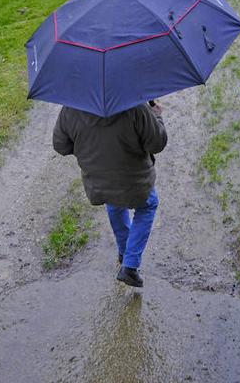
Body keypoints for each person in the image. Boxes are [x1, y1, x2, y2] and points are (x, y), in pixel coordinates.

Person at [53, 98, 167, 287]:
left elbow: (61, 146)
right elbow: (157, 144)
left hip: (99, 181)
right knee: (148, 206)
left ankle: (124, 252)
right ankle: (130, 265)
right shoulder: (135, 107)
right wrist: (157, 116)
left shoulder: (71, 109)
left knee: (114, 203)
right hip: (136, 182)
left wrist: (88, 149)